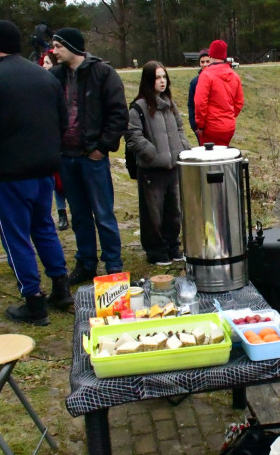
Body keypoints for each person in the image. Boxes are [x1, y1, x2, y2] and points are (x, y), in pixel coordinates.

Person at [0, 20, 72, 325]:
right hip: (43, 169)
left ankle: (34, 300)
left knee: (16, 236)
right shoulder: (44, 77)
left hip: (8, 173)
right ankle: (60, 286)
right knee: (44, 227)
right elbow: (61, 122)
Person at [49, 27, 128, 284]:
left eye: (58, 46)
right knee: (79, 214)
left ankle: (113, 264)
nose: (54, 51)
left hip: (92, 156)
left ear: (72, 47)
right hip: (66, 156)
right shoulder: (54, 77)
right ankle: (86, 263)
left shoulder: (102, 73)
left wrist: (102, 147)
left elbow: (118, 113)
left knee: (103, 214)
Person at [126, 62, 191, 265]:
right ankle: (155, 250)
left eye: (164, 77)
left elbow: (179, 128)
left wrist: (182, 147)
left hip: (173, 167)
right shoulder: (139, 108)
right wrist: (151, 153)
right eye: (157, 78)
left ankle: (173, 245)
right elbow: (132, 134)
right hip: (152, 170)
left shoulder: (170, 104)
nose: (162, 81)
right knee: (153, 213)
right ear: (148, 80)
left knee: (174, 210)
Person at [38, 49, 70, 231]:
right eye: (43, 63)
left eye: (48, 63)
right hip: (49, 142)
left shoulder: (62, 87)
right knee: (55, 181)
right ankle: (61, 212)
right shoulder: (38, 88)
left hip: (65, 140)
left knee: (66, 180)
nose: (44, 67)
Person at [193, 39, 244, 146]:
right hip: (228, 127)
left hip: (210, 127)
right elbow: (239, 102)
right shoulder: (234, 76)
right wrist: (228, 117)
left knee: (210, 159)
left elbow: (200, 103)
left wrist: (200, 125)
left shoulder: (206, 75)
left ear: (210, 55)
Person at [187, 48, 209, 133]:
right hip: (199, 127)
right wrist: (194, 126)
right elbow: (191, 104)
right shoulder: (194, 82)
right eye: (202, 62)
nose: (205, 64)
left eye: (208, 61)